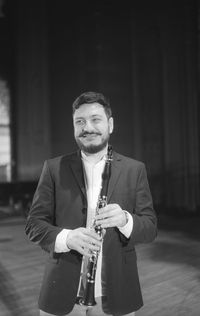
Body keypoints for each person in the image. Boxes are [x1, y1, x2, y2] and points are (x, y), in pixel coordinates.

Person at [25, 91, 157, 316]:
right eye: (80, 121)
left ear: (111, 124)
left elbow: (150, 228)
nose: (88, 127)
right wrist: (67, 238)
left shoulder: (135, 169)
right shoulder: (54, 168)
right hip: (62, 290)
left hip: (117, 291)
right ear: (74, 127)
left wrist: (126, 220)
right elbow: (34, 225)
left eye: (96, 119)